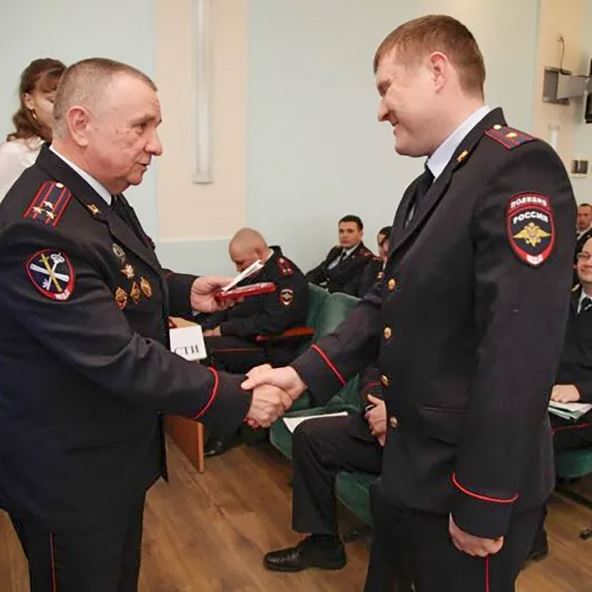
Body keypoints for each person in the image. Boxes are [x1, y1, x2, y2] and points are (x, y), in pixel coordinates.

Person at [243, 15, 576, 591]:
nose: (380, 110)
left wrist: (482, 500)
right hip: (409, 468)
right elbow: (382, 306)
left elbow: (518, 352)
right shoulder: (424, 188)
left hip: (466, 483)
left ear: (437, 71)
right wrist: (300, 377)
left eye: (385, 88)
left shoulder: (516, 167)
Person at [0, 58, 289, 592]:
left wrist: (184, 290)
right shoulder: (42, 226)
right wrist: (235, 397)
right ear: (81, 124)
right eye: (141, 126)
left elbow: (120, 269)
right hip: (69, 475)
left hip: (109, 458)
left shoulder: (94, 195)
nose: (156, 145)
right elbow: (116, 355)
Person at [263, 366, 385, 572]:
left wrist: (396, 417)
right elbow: (374, 367)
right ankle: (323, 546)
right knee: (310, 437)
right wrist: (374, 405)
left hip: (426, 440)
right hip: (379, 421)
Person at [200, 227, 309, 456]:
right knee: (197, 339)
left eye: (240, 263)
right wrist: (207, 326)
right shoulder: (254, 271)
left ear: (258, 252)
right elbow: (232, 305)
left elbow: (273, 323)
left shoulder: (285, 277)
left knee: (208, 351)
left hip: (271, 345)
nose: (238, 269)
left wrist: (222, 329)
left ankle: (225, 429)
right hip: (246, 337)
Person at [529, 235, 592, 560]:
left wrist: (580, 390)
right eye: (584, 255)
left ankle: (532, 537)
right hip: (551, 398)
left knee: (536, 436)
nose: (588, 262)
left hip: (586, 407)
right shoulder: (562, 301)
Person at [0, 58, 66, 200]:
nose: (62, 108)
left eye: (66, 100)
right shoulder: (16, 152)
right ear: (29, 101)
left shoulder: (71, 148)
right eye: (53, 101)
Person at [305, 214, 373, 294]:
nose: (344, 236)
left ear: (360, 234)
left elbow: (348, 289)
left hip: (340, 299)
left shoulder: (366, 259)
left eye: (350, 231)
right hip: (324, 294)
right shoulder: (336, 251)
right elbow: (317, 272)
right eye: (341, 231)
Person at [357, 225, 391, 297]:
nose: (384, 249)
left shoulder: (402, 268)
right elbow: (362, 291)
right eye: (380, 245)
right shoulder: (373, 265)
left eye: (387, 244)